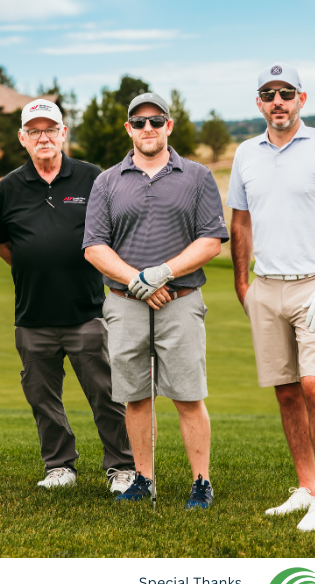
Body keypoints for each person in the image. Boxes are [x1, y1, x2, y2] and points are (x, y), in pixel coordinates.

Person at [228, 63, 315, 531]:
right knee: (286, 392)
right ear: (259, 103)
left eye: (286, 93)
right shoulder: (246, 153)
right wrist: (243, 283)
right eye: (269, 94)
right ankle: (305, 488)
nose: (277, 101)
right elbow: (240, 223)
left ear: (302, 99)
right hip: (267, 287)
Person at [83, 92, 229, 508]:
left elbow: (211, 241)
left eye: (156, 121)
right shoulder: (107, 180)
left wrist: (162, 272)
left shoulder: (197, 176)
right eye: (139, 122)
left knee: (187, 394)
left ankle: (201, 482)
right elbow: (94, 246)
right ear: (128, 128)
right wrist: (138, 281)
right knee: (135, 396)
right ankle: (144, 479)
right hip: (125, 302)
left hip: (180, 299)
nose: (148, 128)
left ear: (169, 126)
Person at [0, 99, 135, 493]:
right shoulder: (10, 187)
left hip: (87, 311)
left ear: (63, 134)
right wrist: (35, 263)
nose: (43, 137)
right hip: (32, 314)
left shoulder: (92, 178)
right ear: (22, 138)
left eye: (50, 129)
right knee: (42, 397)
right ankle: (60, 466)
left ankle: (122, 467)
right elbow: (2, 242)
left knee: (106, 394)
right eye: (34, 131)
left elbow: (114, 233)